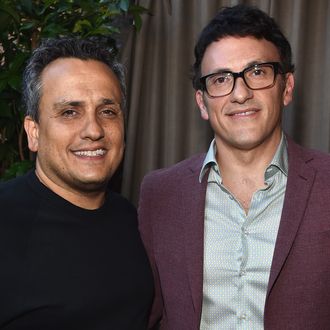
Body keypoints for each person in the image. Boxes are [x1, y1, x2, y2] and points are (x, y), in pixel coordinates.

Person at [138, 4, 330, 329]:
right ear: (202, 101)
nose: (240, 94)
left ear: (287, 87)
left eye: (257, 72)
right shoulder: (160, 195)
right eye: (220, 79)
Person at [0, 37, 153, 329]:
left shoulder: (133, 219)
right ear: (34, 132)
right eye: (70, 112)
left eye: (107, 111)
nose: (94, 130)